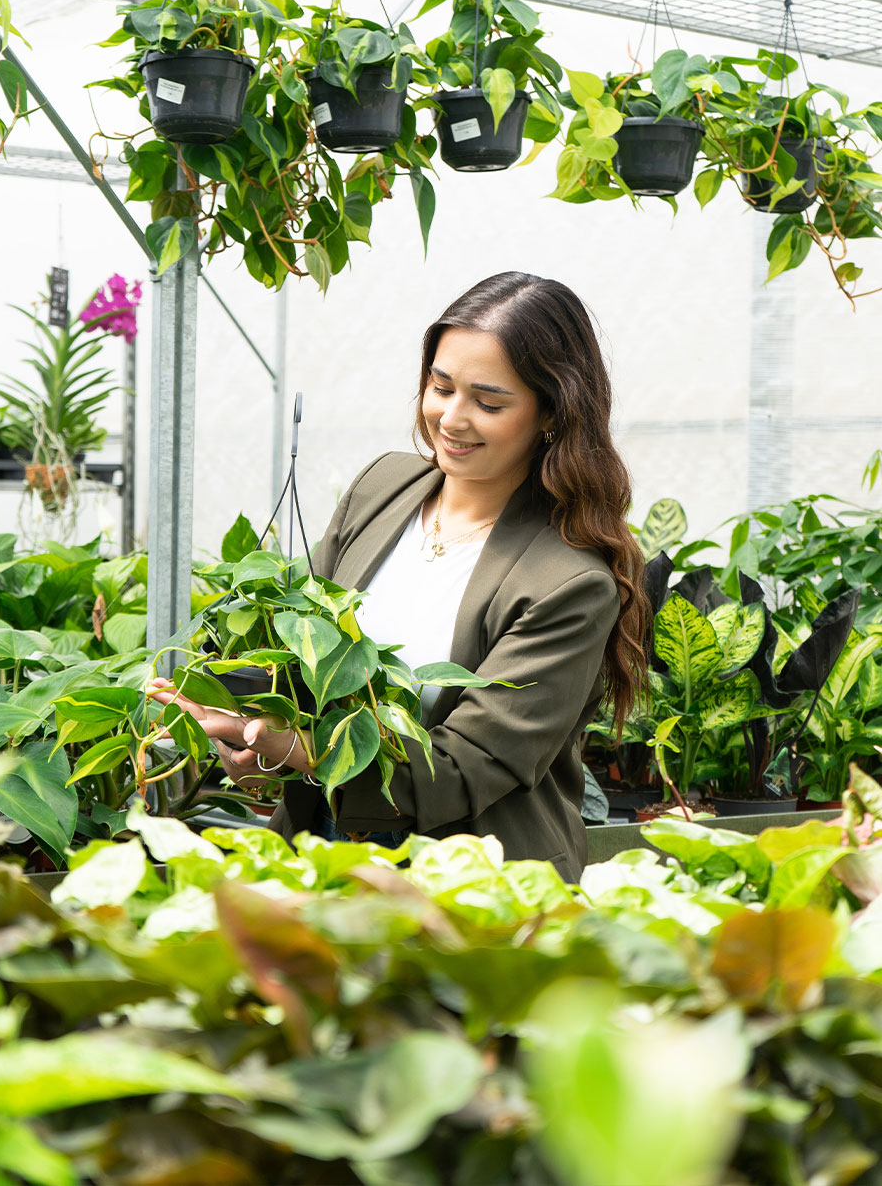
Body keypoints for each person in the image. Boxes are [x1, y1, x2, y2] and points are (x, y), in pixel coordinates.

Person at [149, 272, 649, 879]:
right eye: (440, 387)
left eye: (489, 402)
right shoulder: (383, 488)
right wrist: (251, 737)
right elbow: (297, 652)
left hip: (469, 882)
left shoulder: (566, 581)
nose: (452, 418)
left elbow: (467, 764)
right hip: (321, 854)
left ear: (552, 413)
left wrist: (303, 753)